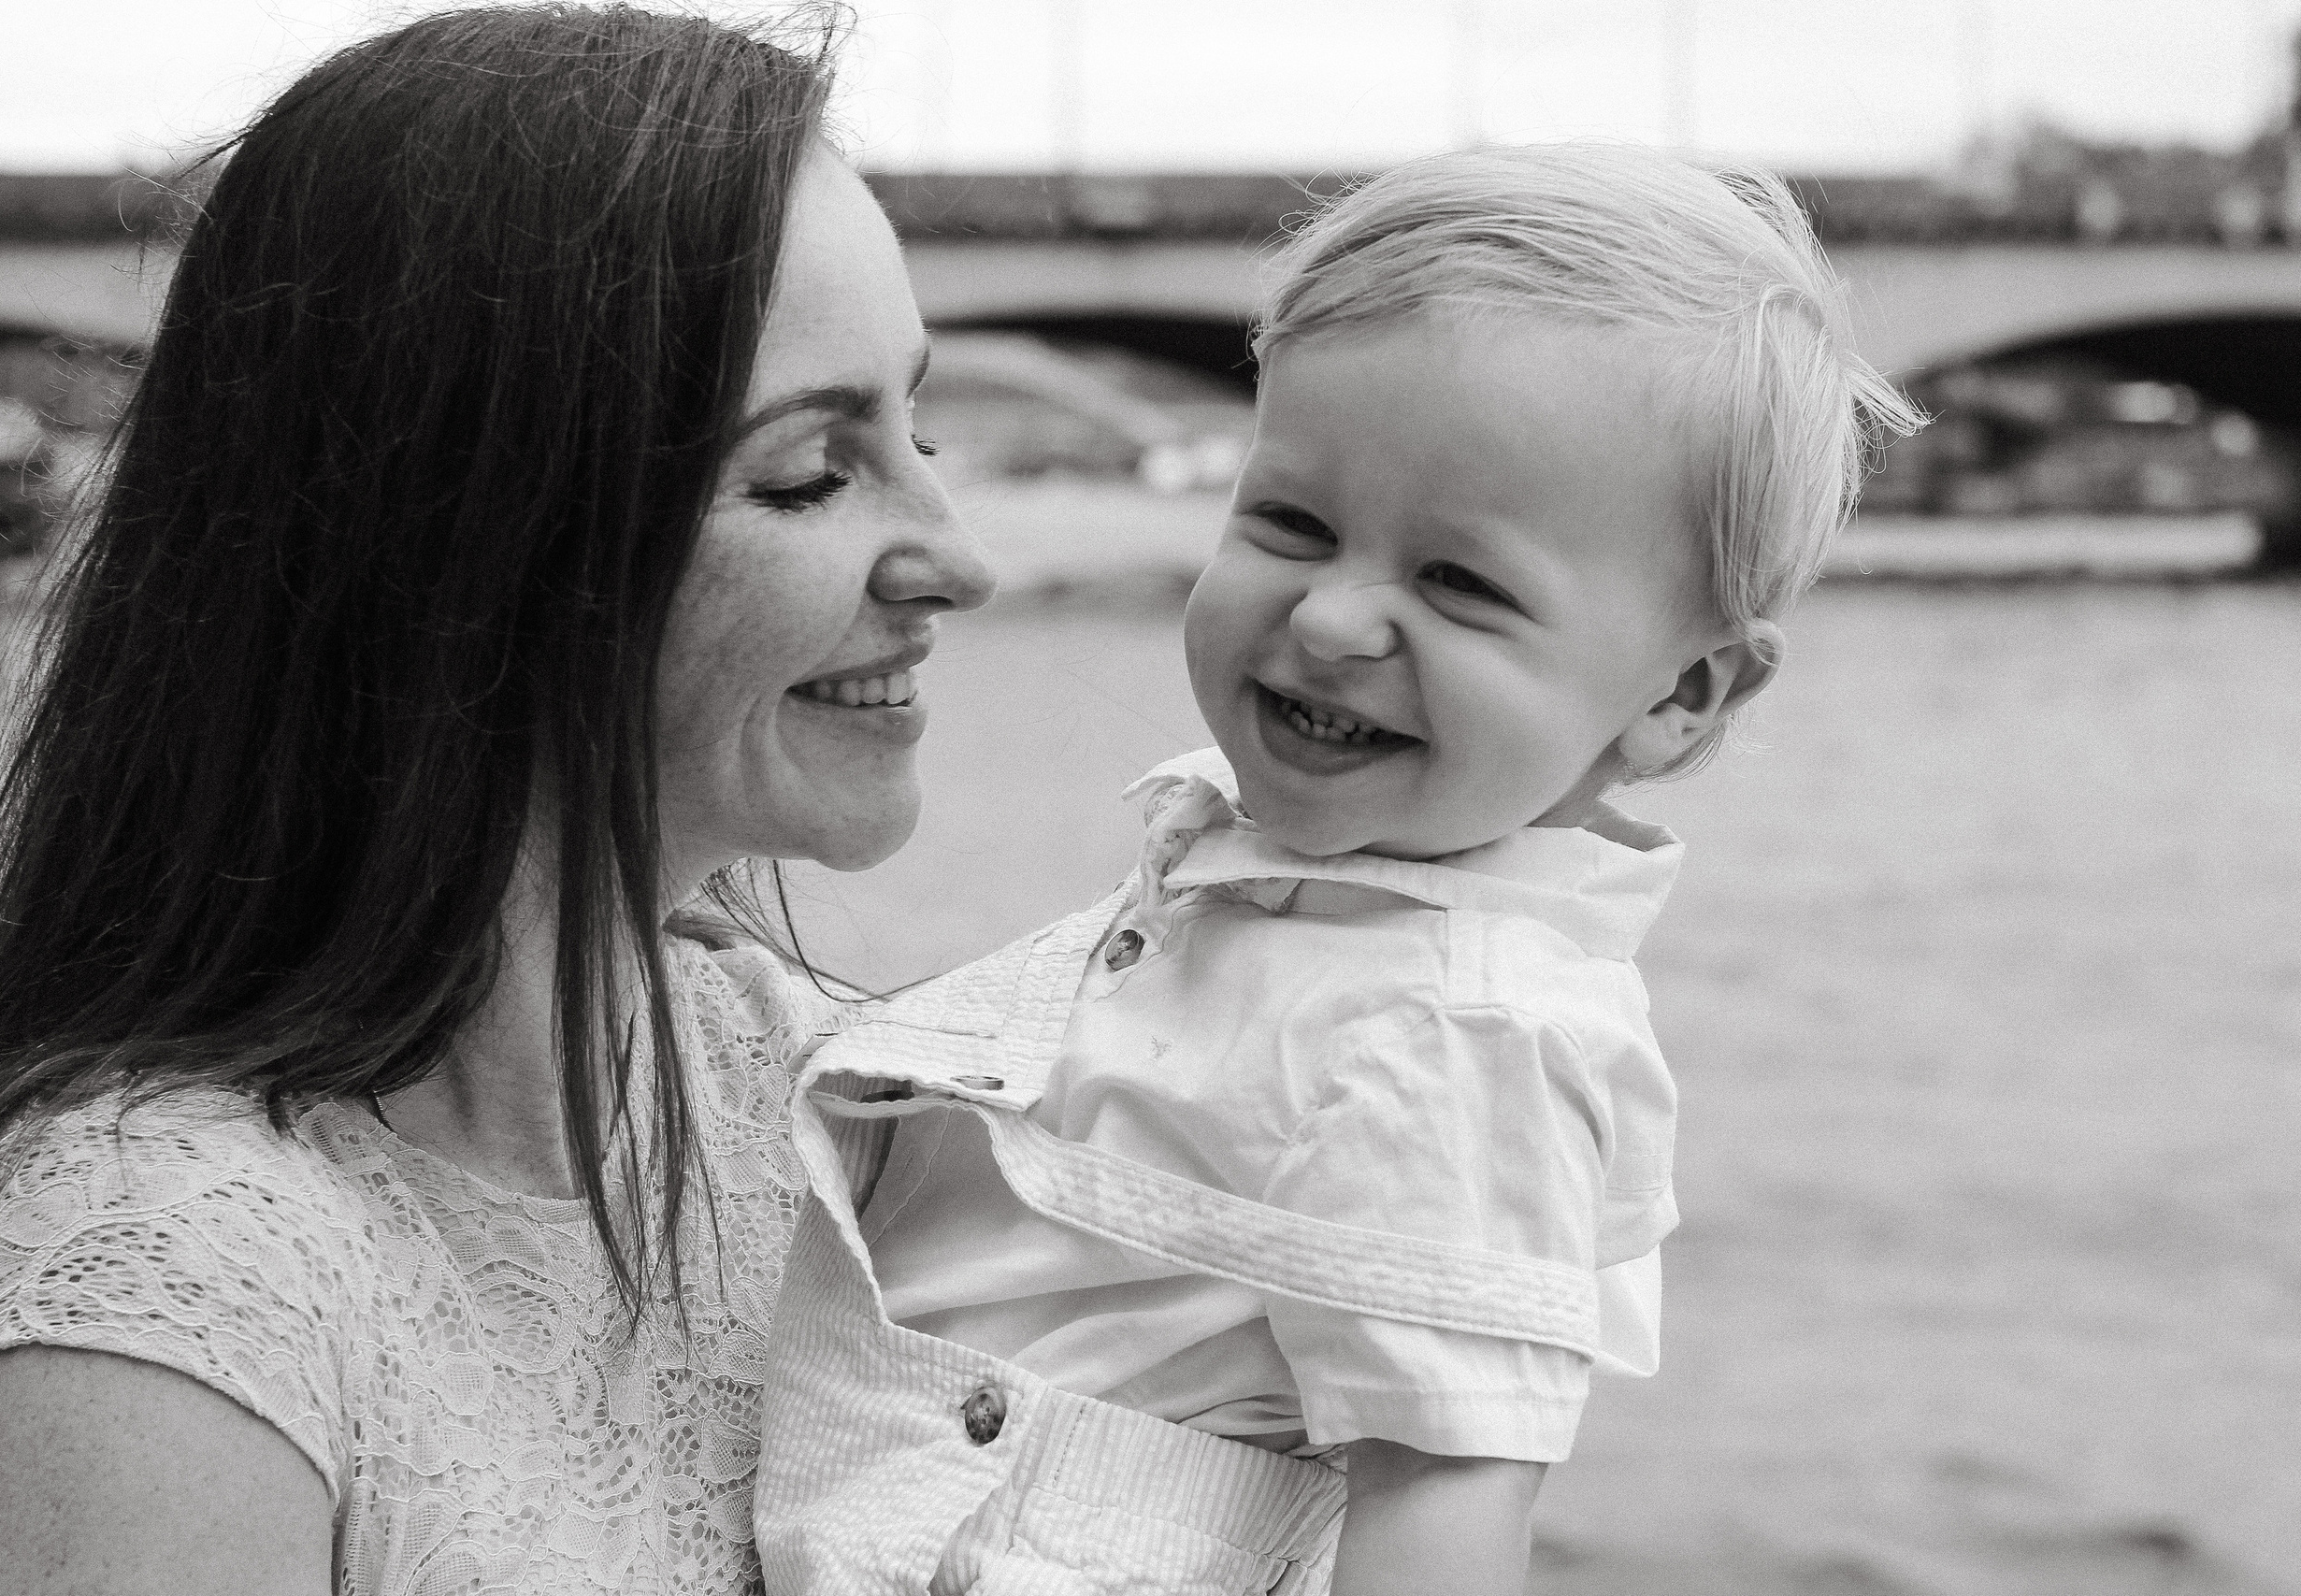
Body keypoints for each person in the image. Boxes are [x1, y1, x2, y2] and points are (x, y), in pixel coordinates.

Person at [0, 7, 992, 1593]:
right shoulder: (147, 1312)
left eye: (921, 420)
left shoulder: (814, 1090)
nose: (960, 558)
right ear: (479, 552)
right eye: (807, 475)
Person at [753, 143, 1921, 1594]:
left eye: (1459, 586)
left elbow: (1445, 1505)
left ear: (1682, 697)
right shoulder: (1306, 900)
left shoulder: (1464, 1032)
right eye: (1292, 525)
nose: (1332, 618)